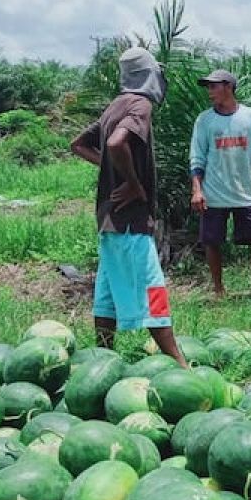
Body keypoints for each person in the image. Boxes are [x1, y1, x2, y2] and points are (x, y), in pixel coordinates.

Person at [70, 47, 187, 367]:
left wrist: (111, 169)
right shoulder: (140, 104)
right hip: (130, 220)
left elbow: (78, 145)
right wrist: (134, 183)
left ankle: (103, 359)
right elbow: (115, 143)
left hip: (108, 219)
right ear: (150, 75)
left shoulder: (115, 106)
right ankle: (179, 363)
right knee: (155, 289)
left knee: (106, 294)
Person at [189, 70, 251, 298]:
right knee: (212, 241)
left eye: (213, 87)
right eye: (208, 87)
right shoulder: (204, 120)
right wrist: (197, 189)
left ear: (228, 87)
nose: (210, 92)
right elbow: (197, 157)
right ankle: (218, 289)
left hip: (245, 192)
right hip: (214, 193)